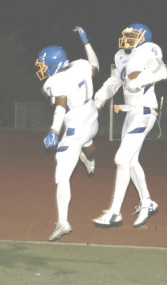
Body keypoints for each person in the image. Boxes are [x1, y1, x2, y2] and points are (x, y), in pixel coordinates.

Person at [92, 23, 167, 228]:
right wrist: (97, 101)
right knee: (131, 161)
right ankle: (147, 202)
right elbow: (113, 82)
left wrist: (142, 79)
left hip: (144, 111)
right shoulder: (121, 56)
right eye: (126, 35)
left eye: (132, 35)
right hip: (130, 113)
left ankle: (115, 213)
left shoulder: (147, 50)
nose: (126, 38)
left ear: (143, 37)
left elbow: (162, 72)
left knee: (121, 158)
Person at [35, 26, 99, 241]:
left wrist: (54, 130)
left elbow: (60, 106)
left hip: (75, 126)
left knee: (62, 175)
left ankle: (63, 222)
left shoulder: (55, 81)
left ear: (53, 64)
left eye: (44, 64)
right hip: (92, 116)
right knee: (88, 142)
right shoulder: (80, 65)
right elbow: (96, 67)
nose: (42, 69)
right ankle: (90, 162)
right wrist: (86, 42)